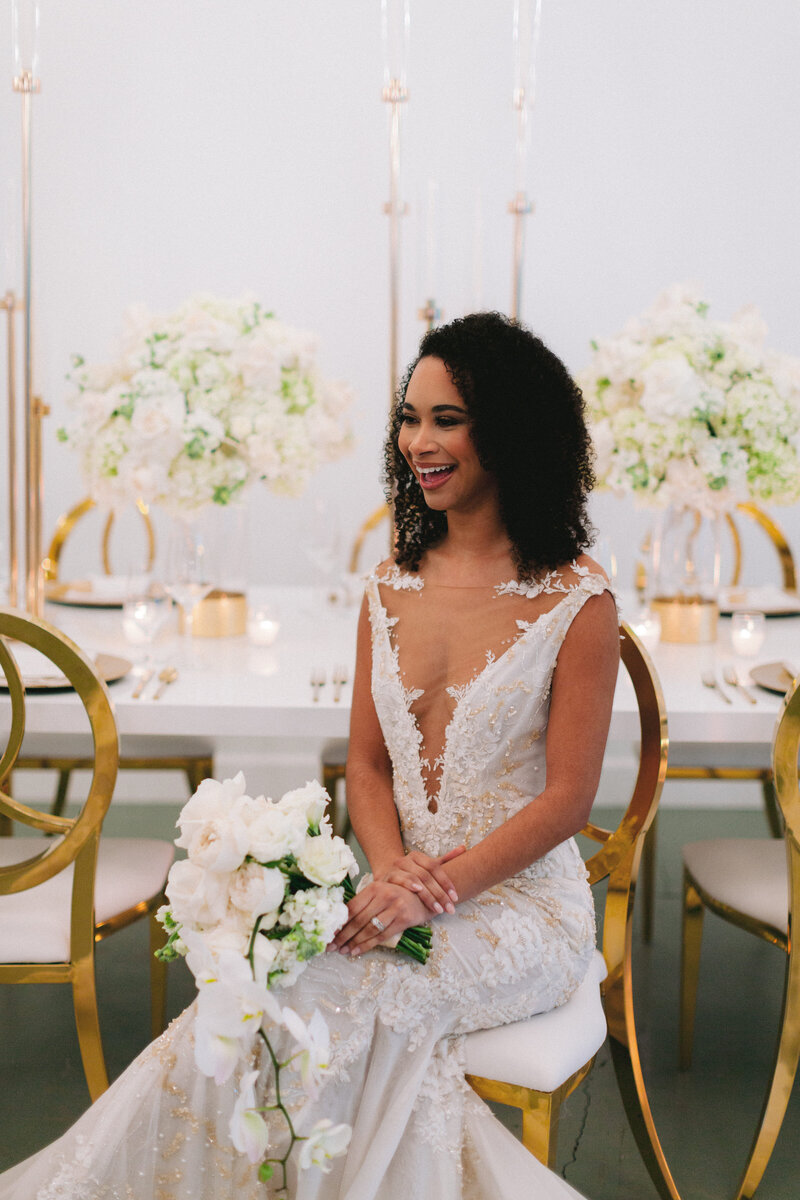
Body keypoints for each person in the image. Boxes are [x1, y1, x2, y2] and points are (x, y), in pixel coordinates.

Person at [0, 311, 619, 1199]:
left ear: (513, 429)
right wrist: (391, 867)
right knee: (266, 989)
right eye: (410, 417)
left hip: (522, 909)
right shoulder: (390, 581)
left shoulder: (577, 599)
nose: (418, 441)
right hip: (400, 882)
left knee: (346, 1000)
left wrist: (430, 890)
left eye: (447, 418)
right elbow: (365, 766)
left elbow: (566, 800)